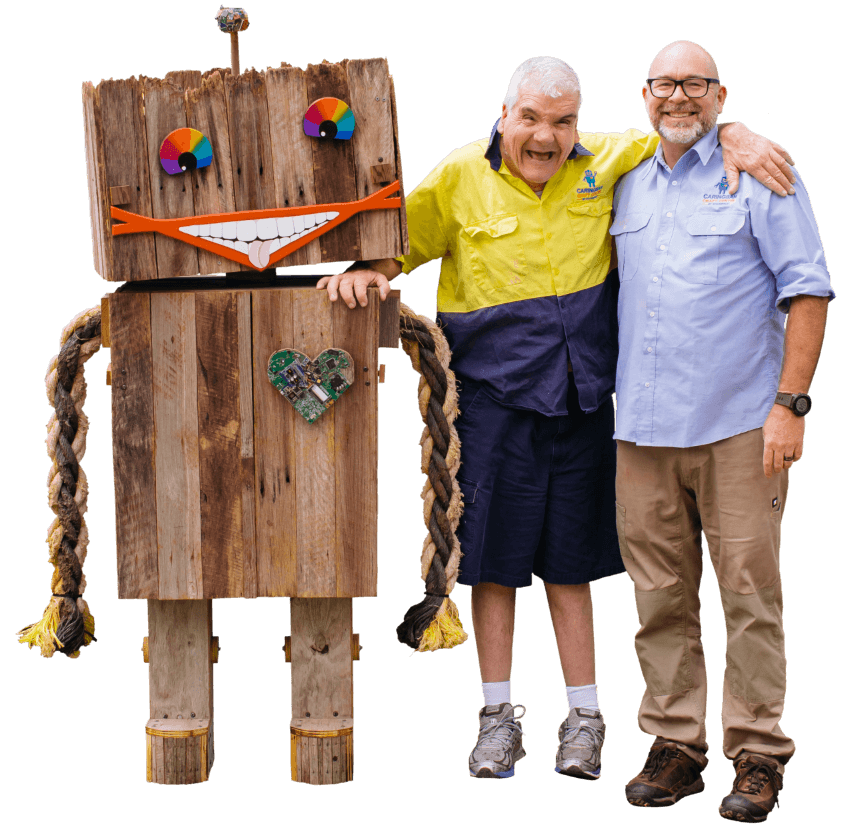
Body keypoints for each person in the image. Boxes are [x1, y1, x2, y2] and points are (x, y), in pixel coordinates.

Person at [317, 56, 796, 781]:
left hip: (584, 406)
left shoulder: (606, 157)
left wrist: (736, 133)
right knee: (495, 569)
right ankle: (497, 720)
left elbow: (681, 127)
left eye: (562, 122)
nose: (546, 137)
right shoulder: (457, 175)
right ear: (504, 114)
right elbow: (394, 247)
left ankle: (584, 721)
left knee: (573, 567)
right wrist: (369, 273)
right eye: (532, 119)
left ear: (579, 124)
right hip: (492, 405)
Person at [611, 41, 832, 820]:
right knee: (660, 595)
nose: (679, 96)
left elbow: (809, 291)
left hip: (742, 425)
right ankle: (675, 744)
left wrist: (790, 405)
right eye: (666, 84)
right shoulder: (623, 180)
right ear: (644, 96)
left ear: (719, 93)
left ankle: (759, 752)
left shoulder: (761, 172)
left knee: (749, 593)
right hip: (640, 431)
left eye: (694, 85)